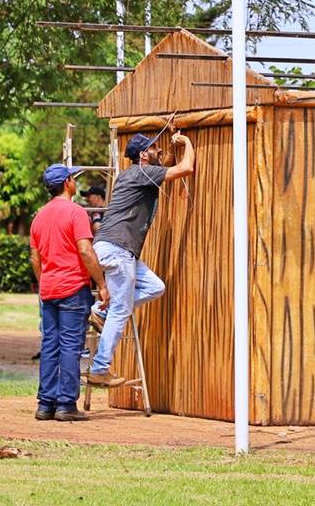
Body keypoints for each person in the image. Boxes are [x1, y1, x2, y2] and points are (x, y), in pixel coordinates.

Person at [85, 129, 194, 388]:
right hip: (118, 249)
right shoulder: (143, 173)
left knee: (156, 287)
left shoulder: (136, 174)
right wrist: (187, 142)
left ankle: (102, 310)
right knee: (122, 310)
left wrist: (169, 147)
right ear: (144, 155)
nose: (159, 151)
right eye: (154, 148)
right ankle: (100, 368)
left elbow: (165, 163)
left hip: (117, 250)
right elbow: (186, 168)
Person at [29, 164, 111, 422]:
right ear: (67, 183)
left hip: (49, 289)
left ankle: (45, 405)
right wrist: (102, 284)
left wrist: (46, 281)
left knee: (50, 345)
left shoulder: (39, 216)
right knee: (70, 346)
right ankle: (66, 405)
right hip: (73, 289)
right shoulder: (76, 213)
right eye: (73, 179)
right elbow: (86, 251)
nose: (76, 182)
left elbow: (35, 257)